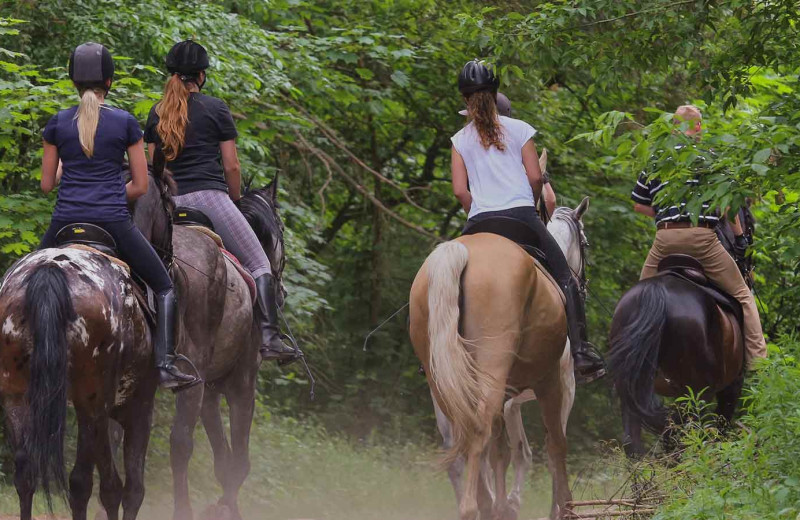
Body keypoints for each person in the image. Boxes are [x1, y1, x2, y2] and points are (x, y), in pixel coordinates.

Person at [39, 42, 199, 390]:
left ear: (72, 82)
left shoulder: (57, 124)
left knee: (20, 280)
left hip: (63, 222)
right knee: (165, 286)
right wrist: (110, 194)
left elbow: (47, 185)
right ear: (109, 82)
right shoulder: (125, 123)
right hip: (112, 222)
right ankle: (166, 365)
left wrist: (71, 168)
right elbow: (141, 187)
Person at [451, 59, 606, 384]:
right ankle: (580, 352)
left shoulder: (459, 139)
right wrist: (528, 203)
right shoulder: (520, 129)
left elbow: (459, 191)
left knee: (450, 277)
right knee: (565, 275)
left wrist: (476, 210)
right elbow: (536, 177)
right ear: (494, 93)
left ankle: (441, 348)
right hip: (521, 218)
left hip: (479, 222)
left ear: (465, 99)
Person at [144, 40, 295, 363]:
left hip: (169, 205)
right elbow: (232, 166)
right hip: (209, 198)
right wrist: (235, 200)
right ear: (201, 75)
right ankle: (270, 338)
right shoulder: (215, 108)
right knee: (259, 263)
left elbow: (154, 169)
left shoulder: (156, 113)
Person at [632, 105, 767, 367]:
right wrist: (739, 239)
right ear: (698, 127)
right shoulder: (710, 158)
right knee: (743, 295)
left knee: (639, 297)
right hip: (703, 240)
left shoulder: (657, 160)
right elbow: (728, 207)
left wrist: (665, 216)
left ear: (673, 128)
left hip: (665, 241)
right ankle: (759, 367)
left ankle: (634, 361)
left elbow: (639, 204)